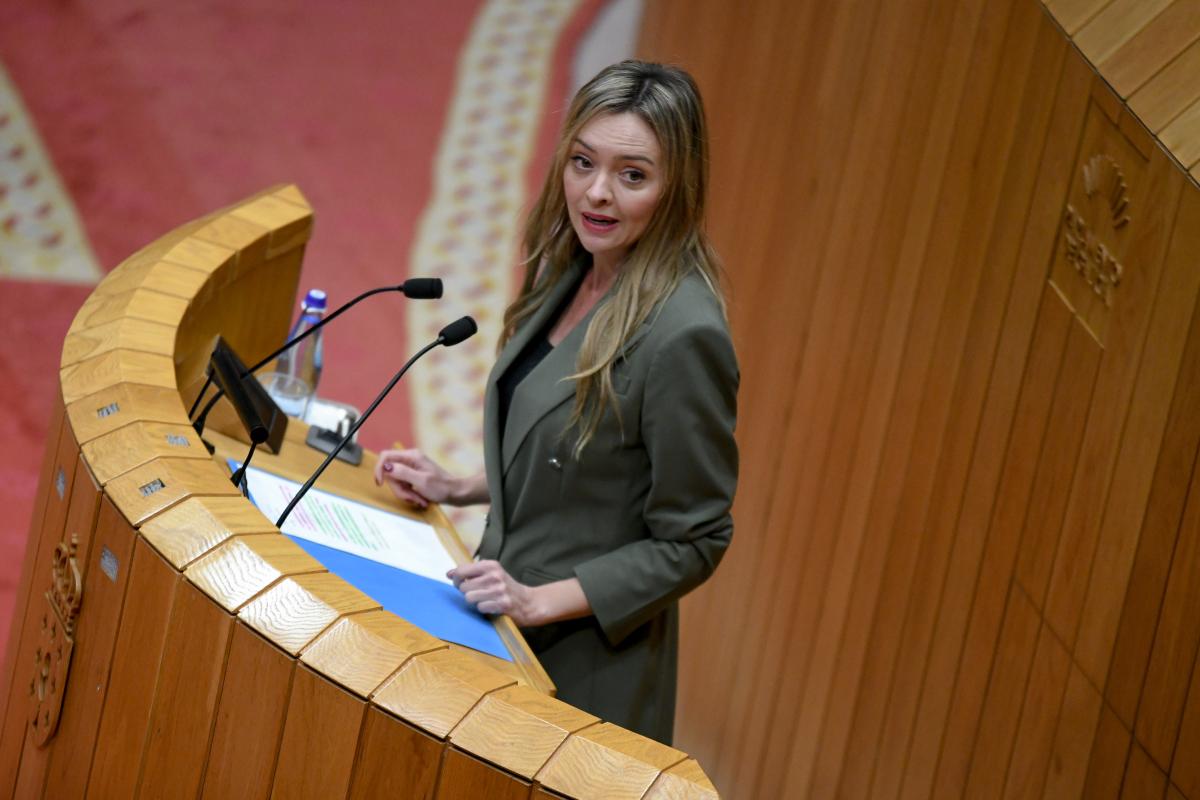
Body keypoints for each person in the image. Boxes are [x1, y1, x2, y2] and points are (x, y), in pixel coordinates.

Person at [374, 59, 738, 744]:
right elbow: (579, 462)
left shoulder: (684, 335)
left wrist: (537, 601)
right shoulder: (574, 265)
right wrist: (459, 486)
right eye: (583, 162)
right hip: (499, 629)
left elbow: (695, 540)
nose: (597, 193)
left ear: (676, 188)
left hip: (580, 674)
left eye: (633, 175)